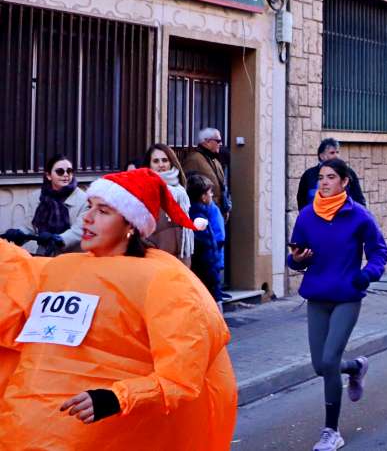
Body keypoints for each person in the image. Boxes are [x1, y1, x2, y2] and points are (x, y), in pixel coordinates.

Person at [0, 168, 236, 449]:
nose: (87, 218)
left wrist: (115, 398)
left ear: (131, 224)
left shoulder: (165, 280)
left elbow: (182, 376)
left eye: (103, 211)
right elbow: (14, 284)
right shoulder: (62, 268)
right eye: (89, 207)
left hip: (108, 434)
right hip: (27, 432)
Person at [286, 158, 387, 451]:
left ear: (345, 182)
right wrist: (298, 259)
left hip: (347, 295)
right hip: (317, 297)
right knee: (321, 366)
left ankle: (331, 431)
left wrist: (367, 274)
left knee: (329, 360)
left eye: (331, 177)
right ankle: (356, 367)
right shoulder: (306, 215)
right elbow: (294, 258)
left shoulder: (359, 216)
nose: (324, 182)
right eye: (321, 177)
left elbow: (379, 250)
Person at [20, 154, 88, 256]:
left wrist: (58, 239)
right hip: (45, 255)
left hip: (73, 257)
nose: (66, 175)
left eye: (69, 171)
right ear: (48, 175)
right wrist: (17, 234)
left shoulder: (84, 199)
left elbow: (79, 230)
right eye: (60, 171)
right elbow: (30, 227)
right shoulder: (37, 197)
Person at [144, 143, 193, 265]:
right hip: (157, 261)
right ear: (149, 165)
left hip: (180, 260)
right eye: (156, 161)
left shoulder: (180, 192)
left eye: (165, 160)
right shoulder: (145, 190)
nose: (161, 165)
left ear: (171, 162)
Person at [296, 138, 368, 211]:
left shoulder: (348, 173)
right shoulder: (309, 175)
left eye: (337, 152)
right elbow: (301, 201)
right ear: (322, 156)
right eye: (332, 153)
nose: (336, 156)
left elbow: (359, 199)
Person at [186, 173, 222, 302]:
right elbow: (207, 257)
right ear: (203, 197)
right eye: (210, 192)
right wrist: (216, 290)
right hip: (205, 282)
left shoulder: (197, 214)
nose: (212, 195)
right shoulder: (200, 219)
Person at [182, 127, 228, 218]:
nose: (221, 144)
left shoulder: (214, 160)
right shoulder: (193, 160)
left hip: (217, 212)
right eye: (218, 141)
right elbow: (186, 187)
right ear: (207, 142)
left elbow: (222, 185)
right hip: (202, 214)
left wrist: (225, 207)